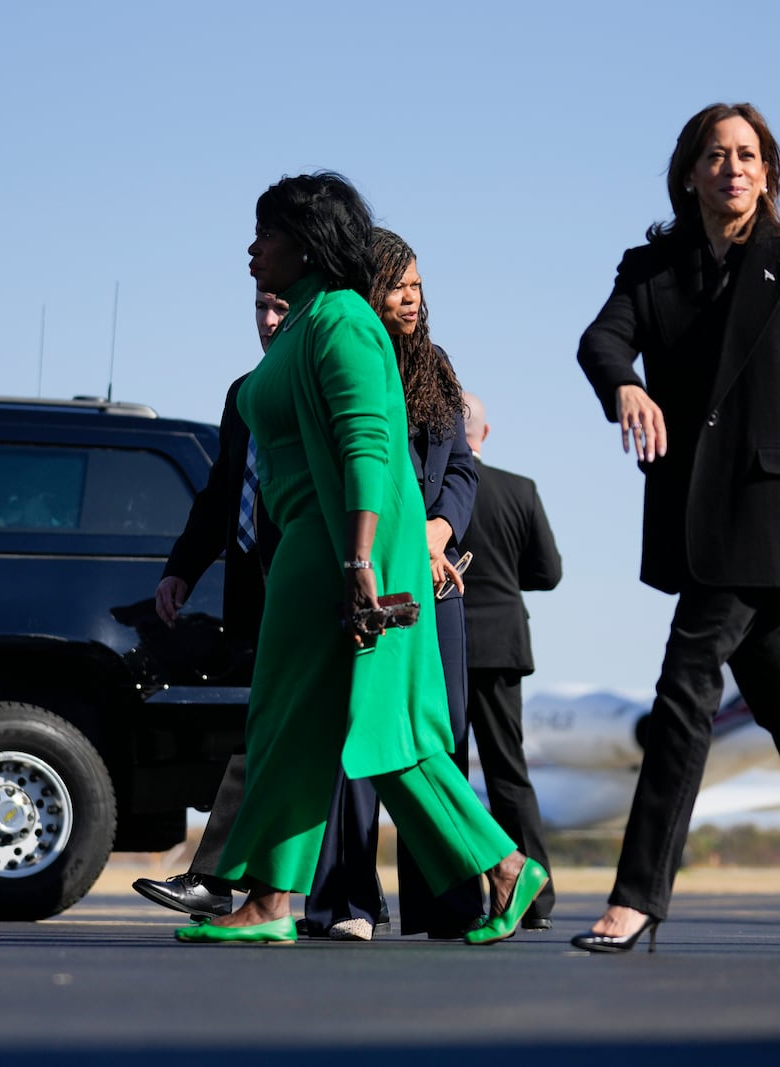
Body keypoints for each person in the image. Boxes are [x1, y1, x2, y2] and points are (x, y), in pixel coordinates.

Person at [573, 103, 780, 954]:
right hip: (691, 507)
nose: (734, 167)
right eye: (717, 155)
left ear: (768, 173)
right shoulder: (649, 268)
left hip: (771, 506)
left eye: (749, 154)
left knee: (687, 682)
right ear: (689, 172)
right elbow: (600, 339)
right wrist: (625, 385)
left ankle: (638, 892)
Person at [175, 171, 545, 945]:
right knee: (304, 720)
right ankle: (287, 900)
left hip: (349, 545)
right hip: (315, 543)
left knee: (366, 723)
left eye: (267, 233)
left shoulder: (341, 319)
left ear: (307, 243)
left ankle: (491, 867)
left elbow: (368, 444)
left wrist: (360, 560)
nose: (252, 249)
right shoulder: (310, 317)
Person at [305, 227, 486, 942]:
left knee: (438, 736)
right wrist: (404, 543)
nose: (409, 299)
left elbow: (464, 469)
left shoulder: (436, 366)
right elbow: (362, 467)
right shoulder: (347, 357)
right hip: (375, 572)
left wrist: (440, 530)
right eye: (395, 286)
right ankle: (345, 901)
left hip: (435, 582)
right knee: (361, 737)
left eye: (415, 284)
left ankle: (444, 901)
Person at [132, 289, 288, 921]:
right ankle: (237, 884)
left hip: (317, 585)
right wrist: (182, 570)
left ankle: (231, 880)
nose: (269, 321)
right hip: (255, 596)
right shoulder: (244, 393)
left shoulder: (324, 384)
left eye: (281, 307)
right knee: (274, 734)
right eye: (260, 308)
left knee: (370, 751)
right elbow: (224, 488)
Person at [457, 391, 562, 928]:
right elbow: (549, 573)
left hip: (445, 646)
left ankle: (458, 901)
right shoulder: (520, 490)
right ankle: (537, 902)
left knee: (449, 774)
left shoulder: (437, 492)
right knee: (509, 774)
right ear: (486, 432)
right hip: (503, 645)